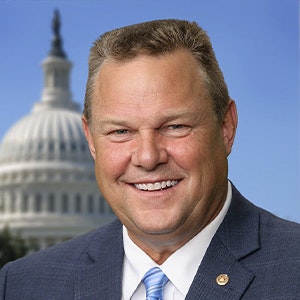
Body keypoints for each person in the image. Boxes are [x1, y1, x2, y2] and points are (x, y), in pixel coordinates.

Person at [0, 19, 299, 300]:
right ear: (90, 140)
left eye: (175, 127)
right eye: (121, 131)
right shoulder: (22, 286)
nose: (147, 157)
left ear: (226, 127)